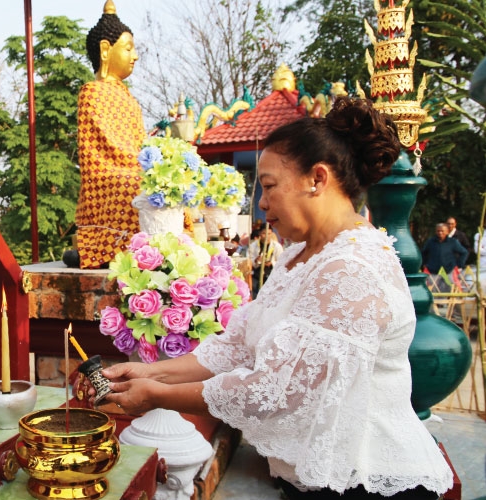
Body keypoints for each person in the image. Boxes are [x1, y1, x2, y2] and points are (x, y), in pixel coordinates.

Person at [89, 97, 452, 499]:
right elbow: (236, 348)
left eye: (270, 186)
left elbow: (279, 390)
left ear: (317, 179)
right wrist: (149, 373)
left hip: (366, 482)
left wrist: (159, 396)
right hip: (315, 480)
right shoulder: (301, 255)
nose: (261, 204)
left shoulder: (352, 267)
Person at [73, 0, 146, 269]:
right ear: (106, 49)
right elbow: (103, 144)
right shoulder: (92, 92)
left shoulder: (129, 98)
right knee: (139, 185)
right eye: (128, 48)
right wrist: (138, 164)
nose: (134, 55)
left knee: (167, 186)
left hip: (133, 166)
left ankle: (168, 249)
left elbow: (140, 142)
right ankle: (109, 246)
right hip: (106, 174)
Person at [247, 226, 283, 297]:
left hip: (271, 274)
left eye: (269, 234)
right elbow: (249, 261)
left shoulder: (277, 246)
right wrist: (256, 261)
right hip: (257, 274)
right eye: (264, 233)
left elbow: (281, 262)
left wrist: (271, 263)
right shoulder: (253, 246)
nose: (267, 236)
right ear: (260, 233)